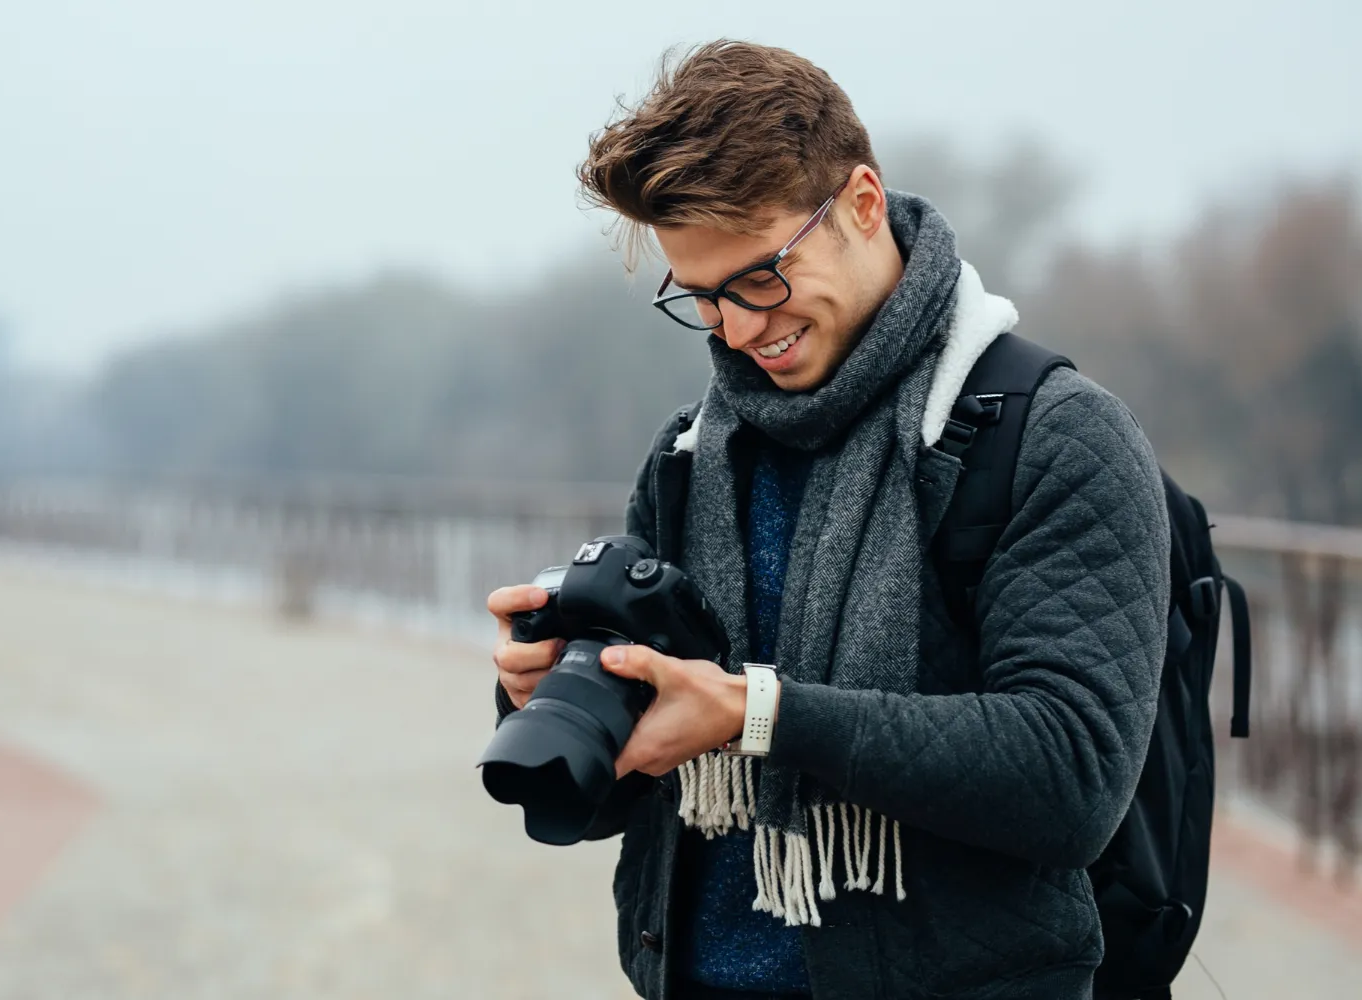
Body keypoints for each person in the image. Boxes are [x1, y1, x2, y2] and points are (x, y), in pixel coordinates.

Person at [489, 40, 1170, 1000]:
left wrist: (759, 714)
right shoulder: (691, 455)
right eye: (703, 298)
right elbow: (635, 800)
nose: (736, 330)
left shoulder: (1056, 437)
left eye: (761, 277)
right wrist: (560, 703)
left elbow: (1070, 781)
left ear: (860, 203)